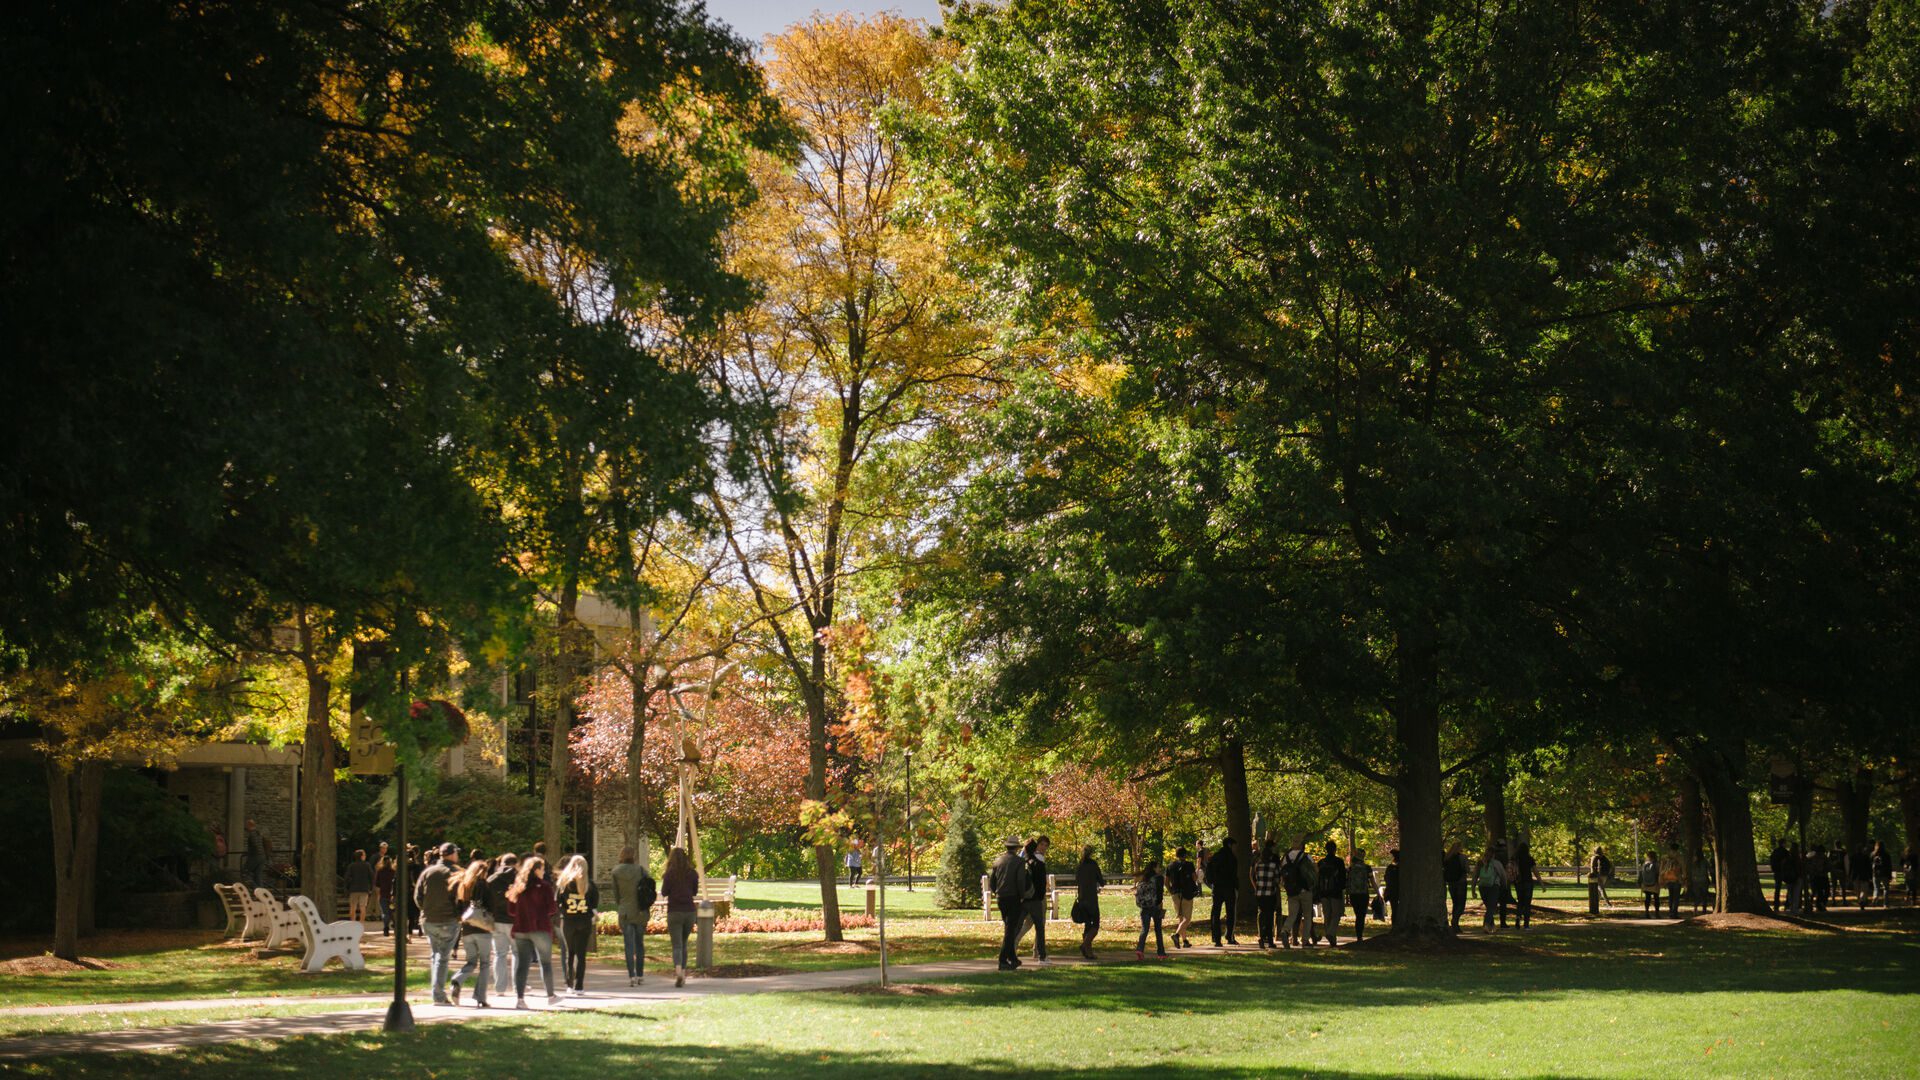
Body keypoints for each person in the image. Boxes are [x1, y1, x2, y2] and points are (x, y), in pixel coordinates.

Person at [506, 855, 560, 1008]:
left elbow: (511, 910)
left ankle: (520, 999)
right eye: (542, 869)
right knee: (545, 963)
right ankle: (550, 995)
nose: (543, 872)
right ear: (536, 870)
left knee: (522, 964)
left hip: (520, 928)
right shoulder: (544, 887)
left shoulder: (517, 887)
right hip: (540, 927)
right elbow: (552, 909)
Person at [415, 842, 462, 1004]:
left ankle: (437, 992)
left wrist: (426, 909)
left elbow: (418, 896)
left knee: (436, 955)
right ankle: (438, 995)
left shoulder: (428, 872)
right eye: (456, 853)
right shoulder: (456, 872)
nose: (458, 855)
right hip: (448, 920)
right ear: (451, 854)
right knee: (442, 957)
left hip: (428, 920)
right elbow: (462, 898)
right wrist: (458, 915)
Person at [448, 854, 495, 1008]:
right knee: (485, 963)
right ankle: (480, 997)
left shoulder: (464, 886)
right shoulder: (484, 885)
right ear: (482, 872)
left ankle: (457, 980)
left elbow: (458, 908)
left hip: (467, 930)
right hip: (482, 929)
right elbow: (491, 906)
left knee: (471, 962)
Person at [610, 846, 656, 986]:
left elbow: (616, 894)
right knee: (639, 944)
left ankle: (631, 976)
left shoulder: (616, 871)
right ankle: (641, 975)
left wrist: (622, 904)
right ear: (634, 856)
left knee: (628, 945)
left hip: (625, 911)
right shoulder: (641, 870)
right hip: (640, 912)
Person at [553, 854, 598, 994]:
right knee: (581, 955)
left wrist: (564, 912)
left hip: (569, 922)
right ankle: (580, 986)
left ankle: (569, 985)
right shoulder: (590, 885)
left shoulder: (564, 884)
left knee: (570, 954)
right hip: (584, 922)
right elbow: (594, 904)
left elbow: (557, 902)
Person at [988, 836, 1030, 971]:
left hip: (1001, 898)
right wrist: (1022, 896)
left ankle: (1012, 958)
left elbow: (992, 882)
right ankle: (1002, 960)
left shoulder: (998, 861)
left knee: (1009, 927)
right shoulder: (1019, 861)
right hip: (1013, 898)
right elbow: (1020, 881)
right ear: (1016, 848)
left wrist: (997, 892)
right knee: (1010, 929)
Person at [660, 846, 699, 988]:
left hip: (674, 911)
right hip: (689, 911)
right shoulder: (693, 874)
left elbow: (664, 892)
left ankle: (678, 973)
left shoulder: (669, 874)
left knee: (677, 945)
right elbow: (694, 892)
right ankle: (683, 972)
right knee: (684, 943)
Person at [486, 853, 519, 996]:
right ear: (515, 864)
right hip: (515, 921)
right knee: (518, 954)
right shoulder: (520, 878)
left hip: (497, 920)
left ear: (501, 864)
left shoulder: (492, 879)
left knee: (500, 954)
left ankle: (500, 988)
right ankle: (519, 986)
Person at [1279, 835, 1316, 948]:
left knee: (1292, 915)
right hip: (1305, 890)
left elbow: (1281, 872)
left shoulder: (1286, 857)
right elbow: (1315, 870)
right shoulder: (1306, 856)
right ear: (1301, 845)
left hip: (1292, 891)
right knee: (1307, 916)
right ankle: (1305, 940)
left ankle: (1285, 931)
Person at [1022, 836, 1051, 963]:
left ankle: (1036, 950)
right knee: (1038, 925)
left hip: (1027, 896)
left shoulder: (1026, 859)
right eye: (1042, 845)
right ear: (1037, 846)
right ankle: (1040, 954)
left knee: (1028, 924)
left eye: (1046, 845)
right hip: (1037, 897)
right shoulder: (1038, 859)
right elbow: (1039, 880)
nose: (1044, 848)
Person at [1207, 837, 1240, 946]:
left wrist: (1212, 882)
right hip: (1229, 887)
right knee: (1230, 913)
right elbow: (1234, 874)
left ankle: (1216, 938)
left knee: (1216, 912)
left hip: (1217, 887)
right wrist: (1236, 886)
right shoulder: (1232, 858)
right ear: (1230, 845)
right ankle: (1229, 936)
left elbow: (1209, 872)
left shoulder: (1215, 857)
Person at [1073, 845, 1104, 960]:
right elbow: (1101, 881)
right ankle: (1084, 945)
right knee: (1095, 925)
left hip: (1081, 899)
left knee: (1087, 925)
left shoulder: (1080, 865)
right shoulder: (1093, 864)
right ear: (1092, 853)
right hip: (1091, 899)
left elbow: (1077, 880)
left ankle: (1088, 952)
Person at [1165, 847, 1199, 949]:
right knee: (1187, 919)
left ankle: (1184, 941)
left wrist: (1171, 890)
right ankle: (1176, 935)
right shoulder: (1189, 865)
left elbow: (1166, 882)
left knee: (1181, 918)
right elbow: (1194, 878)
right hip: (1187, 893)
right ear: (1185, 855)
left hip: (1175, 894)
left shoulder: (1170, 866)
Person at [1133, 858, 1168, 959]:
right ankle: (1161, 953)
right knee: (1158, 930)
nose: (1159, 869)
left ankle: (1140, 949)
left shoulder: (1144, 878)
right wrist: (1160, 905)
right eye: (1158, 867)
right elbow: (1160, 893)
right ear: (1154, 868)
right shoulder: (1159, 878)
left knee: (1145, 929)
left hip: (1144, 907)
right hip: (1155, 906)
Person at [1316, 841, 1347, 946]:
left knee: (1327, 915)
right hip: (1335, 892)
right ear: (1335, 849)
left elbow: (1317, 878)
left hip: (1323, 892)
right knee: (1336, 914)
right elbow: (1343, 878)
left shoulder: (1321, 863)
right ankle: (1331, 933)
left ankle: (1332, 938)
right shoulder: (1339, 862)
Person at [1252, 839, 1281, 949]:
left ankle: (1262, 937)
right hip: (1270, 893)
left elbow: (1255, 877)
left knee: (1263, 914)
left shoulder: (1258, 864)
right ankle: (1269, 940)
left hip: (1260, 893)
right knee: (1269, 917)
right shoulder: (1273, 865)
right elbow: (1277, 880)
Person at [1347, 847, 1375, 942]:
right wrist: (1378, 893)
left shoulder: (1351, 868)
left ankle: (1358, 933)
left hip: (1354, 894)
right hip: (1363, 894)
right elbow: (1373, 881)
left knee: (1357, 914)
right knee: (1361, 915)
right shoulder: (1367, 868)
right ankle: (1360, 935)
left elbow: (1348, 882)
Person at [1478, 850, 1508, 931]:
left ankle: (1493, 926)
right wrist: (1505, 886)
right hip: (1493, 887)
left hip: (1482, 887)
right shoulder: (1496, 863)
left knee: (1489, 907)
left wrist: (1473, 888)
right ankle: (1486, 925)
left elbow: (1475, 876)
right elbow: (1503, 876)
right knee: (1491, 907)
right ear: (1493, 855)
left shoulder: (1480, 863)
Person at [1513, 842, 1540, 928]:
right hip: (1528, 882)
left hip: (1518, 882)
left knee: (1520, 901)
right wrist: (1541, 882)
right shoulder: (1529, 859)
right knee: (1527, 903)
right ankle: (1526, 924)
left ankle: (1517, 917)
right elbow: (1535, 871)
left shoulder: (1515, 858)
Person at [1443, 841, 1469, 930]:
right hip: (1461, 882)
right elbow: (1467, 869)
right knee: (1461, 904)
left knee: (1455, 903)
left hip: (1451, 883)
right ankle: (1455, 920)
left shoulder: (1447, 857)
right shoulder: (1463, 857)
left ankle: (1455, 924)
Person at [344, 849, 374, 924]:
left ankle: (353, 923)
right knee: (363, 907)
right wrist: (370, 887)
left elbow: (347, 878)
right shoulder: (367, 865)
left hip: (353, 889)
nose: (365, 856)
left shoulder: (351, 865)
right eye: (364, 855)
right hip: (364, 889)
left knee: (353, 907)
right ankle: (361, 924)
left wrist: (348, 886)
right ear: (361, 856)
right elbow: (371, 877)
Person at [374, 854, 397, 935]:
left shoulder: (380, 871)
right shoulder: (394, 872)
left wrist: (378, 894)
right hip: (392, 896)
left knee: (385, 912)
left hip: (383, 894)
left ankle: (386, 927)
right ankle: (395, 926)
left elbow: (377, 884)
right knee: (392, 911)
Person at [1659, 843, 1684, 918]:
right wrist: (1684, 877)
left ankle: (1670, 912)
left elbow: (1661, 868)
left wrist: (1661, 877)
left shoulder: (1665, 857)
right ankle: (1674, 913)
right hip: (1677, 879)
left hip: (1668, 879)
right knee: (1676, 897)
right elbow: (1683, 867)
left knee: (1671, 896)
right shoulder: (1679, 857)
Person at [242, 819, 269, 889]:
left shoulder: (252, 834)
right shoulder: (258, 833)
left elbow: (255, 845)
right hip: (262, 856)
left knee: (245, 873)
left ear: (249, 825)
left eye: (246, 825)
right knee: (258, 875)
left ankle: (256, 889)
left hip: (255, 856)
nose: (245, 827)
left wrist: (251, 853)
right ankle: (261, 892)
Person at [1806, 843, 1830, 914]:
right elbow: (1810, 867)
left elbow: (1828, 866)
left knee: (1826, 891)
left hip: (1823, 876)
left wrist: (1825, 870)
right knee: (1819, 892)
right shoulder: (1813, 858)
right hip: (1817, 877)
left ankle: (1821, 904)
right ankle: (1819, 905)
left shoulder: (1824, 858)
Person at [1769, 838, 1791, 911]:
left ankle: (1776, 905)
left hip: (1777, 872)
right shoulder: (1786, 852)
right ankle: (1787, 905)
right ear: (1784, 843)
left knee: (1777, 889)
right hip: (1785, 872)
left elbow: (1772, 861)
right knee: (1789, 888)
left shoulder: (1775, 852)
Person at [1589, 845, 1613, 910]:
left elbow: (1592, 867)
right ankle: (1596, 903)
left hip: (1598, 875)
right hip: (1605, 875)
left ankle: (1608, 903)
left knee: (1601, 889)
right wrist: (1608, 874)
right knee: (1599, 890)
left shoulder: (1594, 858)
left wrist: (1593, 875)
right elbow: (1610, 866)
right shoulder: (1604, 857)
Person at [1637, 852, 1660, 917]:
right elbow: (1658, 873)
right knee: (1656, 898)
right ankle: (1657, 913)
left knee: (1647, 898)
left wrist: (1639, 882)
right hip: (1655, 883)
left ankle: (1647, 912)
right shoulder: (1656, 864)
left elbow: (1641, 874)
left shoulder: (1645, 864)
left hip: (1646, 884)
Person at [1870, 841, 1892, 907]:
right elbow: (1889, 866)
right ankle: (1885, 904)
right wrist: (1889, 875)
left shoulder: (1873, 854)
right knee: (1886, 889)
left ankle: (1875, 900)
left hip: (1875, 874)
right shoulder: (1886, 854)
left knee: (1876, 888)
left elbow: (1869, 864)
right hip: (1885, 874)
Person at [1384, 848, 1402, 926]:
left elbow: (1386, 878)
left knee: (1394, 909)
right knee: (1396, 909)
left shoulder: (1390, 868)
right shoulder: (1401, 868)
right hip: (1399, 891)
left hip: (1392, 891)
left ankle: (1394, 925)